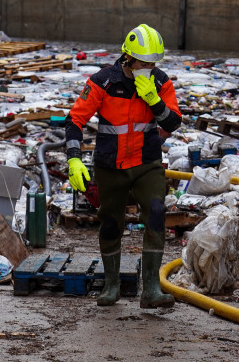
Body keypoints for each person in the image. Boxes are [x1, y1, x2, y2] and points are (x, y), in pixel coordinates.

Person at [64, 24, 183, 308]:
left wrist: (154, 101)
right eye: (144, 63)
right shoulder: (103, 82)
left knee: (156, 211)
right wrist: (73, 158)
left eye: (154, 63)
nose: (149, 68)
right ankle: (111, 285)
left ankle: (152, 289)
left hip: (146, 162)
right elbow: (75, 120)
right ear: (128, 58)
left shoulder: (160, 82)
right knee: (110, 222)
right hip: (110, 166)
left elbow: (173, 123)